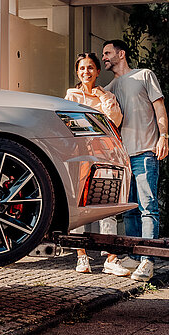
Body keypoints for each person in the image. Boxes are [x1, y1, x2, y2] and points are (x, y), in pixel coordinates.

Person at [101, 39, 169, 283]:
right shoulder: (110, 87)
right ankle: (132, 255)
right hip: (123, 157)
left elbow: (159, 108)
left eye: (108, 53)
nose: (104, 57)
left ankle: (148, 260)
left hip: (146, 152)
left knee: (148, 207)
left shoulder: (144, 75)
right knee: (129, 209)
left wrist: (164, 137)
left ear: (121, 54)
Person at [64, 52, 127, 276]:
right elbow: (69, 123)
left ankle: (110, 257)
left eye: (90, 68)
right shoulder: (71, 95)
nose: (86, 72)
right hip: (80, 155)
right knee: (80, 206)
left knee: (106, 204)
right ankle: (81, 256)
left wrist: (101, 97)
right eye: (82, 68)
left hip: (104, 154)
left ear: (98, 71)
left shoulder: (106, 95)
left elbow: (114, 120)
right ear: (77, 72)